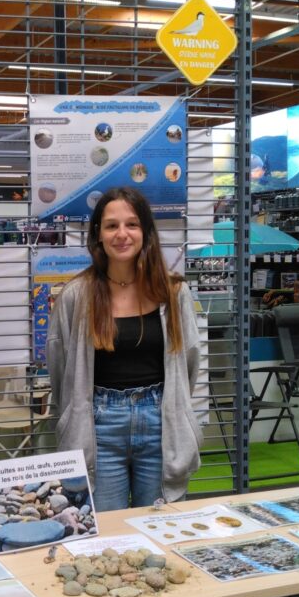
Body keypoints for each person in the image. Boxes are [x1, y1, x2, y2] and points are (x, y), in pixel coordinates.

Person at [47, 187, 203, 511]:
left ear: (145, 232)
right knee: (106, 528)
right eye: (111, 226)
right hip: (98, 428)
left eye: (131, 224)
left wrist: (175, 408)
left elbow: (189, 363)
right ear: (98, 234)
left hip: (161, 424)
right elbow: (60, 370)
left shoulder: (174, 293)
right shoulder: (76, 295)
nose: (122, 234)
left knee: (161, 526)